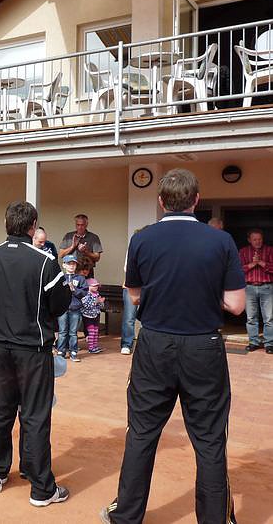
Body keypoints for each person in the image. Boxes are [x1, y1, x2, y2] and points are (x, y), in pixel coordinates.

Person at [100, 168, 246, 524]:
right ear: (196, 200)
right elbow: (236, 304)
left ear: (161, 201)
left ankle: (127, 516)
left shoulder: (142, 239)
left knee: (142, 432)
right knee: (210, 439)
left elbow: (134, 295)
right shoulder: (220, 241)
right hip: (203, 345)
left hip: (155, 344)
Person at [0, 200, 72, 505]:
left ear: (7, 224)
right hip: (32, 350)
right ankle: (41, 488)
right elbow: (60, 303)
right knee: (34, 415)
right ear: (33, 227)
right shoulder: (44, 261)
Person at [238, 228, 273, 353]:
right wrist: (252, 264)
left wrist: (262, 263)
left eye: (259, 239)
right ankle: (253, 342)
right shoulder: (243, 251)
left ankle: (269, 344)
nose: (258, 242)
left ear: (262, 239)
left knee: (269, 318)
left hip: (267, 287)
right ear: (249, 240)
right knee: (251, 317)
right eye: (254, 239)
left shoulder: (270, 250)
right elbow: (238, 270)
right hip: (249, 288)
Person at [55, 254, 87, 361]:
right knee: (62, 331)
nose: (71, 266)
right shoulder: (60, 278)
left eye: (73, 264)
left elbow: (84, 292)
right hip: (62, 309)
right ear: (64, 265)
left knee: (73, 332)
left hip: (75, 309)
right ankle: (61, 351)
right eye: (69, 264)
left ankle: (73, 352)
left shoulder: (80, 278)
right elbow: (55, 292)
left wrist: (74, 290)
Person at [80, 278, 104, 353]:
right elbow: (86, 305)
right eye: (94, 286)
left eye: (97, 286)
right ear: (88, 286)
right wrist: (96, 302)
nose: (96, 287)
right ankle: (91, 348)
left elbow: (101, 306)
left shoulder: (97, 294)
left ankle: (95, 346)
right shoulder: (86, 294)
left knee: (96, 331)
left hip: (96, 315)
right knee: (91, 331)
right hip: (88, 316)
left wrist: (101, 302)